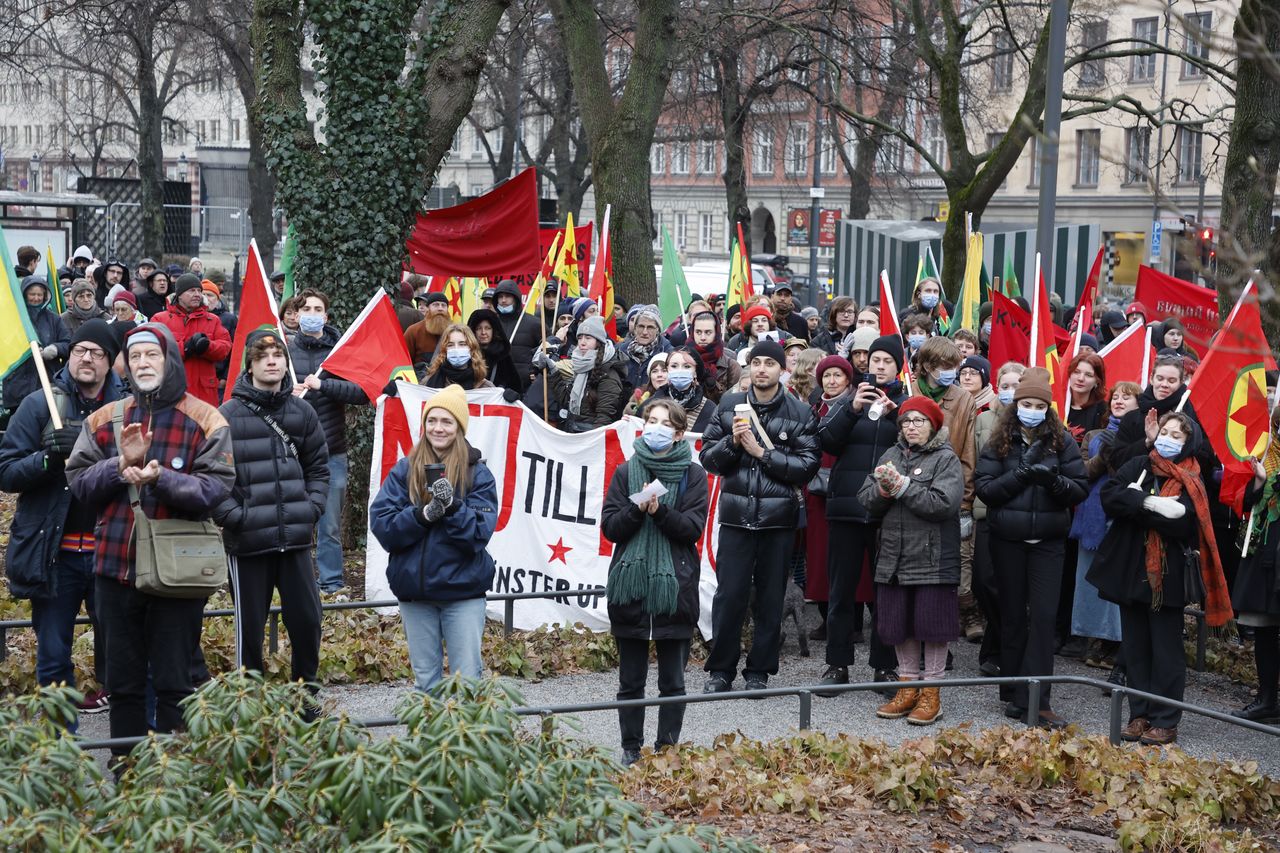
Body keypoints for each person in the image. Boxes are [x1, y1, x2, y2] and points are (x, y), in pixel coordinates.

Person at [65, 323, 235, 763]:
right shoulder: (104, 419)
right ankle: (128, 778)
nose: (142, 364)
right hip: (114, 573)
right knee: (121, 686)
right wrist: (117, 466)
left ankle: (171, 783)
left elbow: (216, 488)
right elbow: (79, 486)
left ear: (170, 360)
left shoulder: (206, 418)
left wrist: (163, 479)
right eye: (135, 356)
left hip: (176, 574)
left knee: (175, 682)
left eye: (151, 356)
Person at [0, 320, 125, 720]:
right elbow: (5, 472)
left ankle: (130, 751)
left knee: (124, 657)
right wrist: (46, 460)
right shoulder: (39, 405)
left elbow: (141, 468)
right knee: (53, 659)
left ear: (110, 362)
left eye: (97, 353)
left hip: (113, 552)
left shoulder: (127, 409)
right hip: (56, 556)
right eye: (80, 350)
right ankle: (61, 752)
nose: (87, 359)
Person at [1091, 412, 1231, 745]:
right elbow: (1110, 497)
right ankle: (1139, 715)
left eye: (1176, 435)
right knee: (1135, 648)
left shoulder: (1193, 477)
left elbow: (1183, 524)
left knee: (1166, 650)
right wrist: (1150, 502)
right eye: (1164, 431)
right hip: (1130, 569)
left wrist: (1135, 505)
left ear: (1188, 443)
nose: (1168, 438)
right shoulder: (1140, 463)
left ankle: (1165, 718)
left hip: (1168, 575)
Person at [214, 330, 328, 703]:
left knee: (307, 622)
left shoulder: (302, 411)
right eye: (262, 355)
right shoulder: (227, 415)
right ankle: (251, 706)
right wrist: (235, 516)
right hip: (248, 542)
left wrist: (311, 509)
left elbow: (319, 469)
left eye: (278, 353)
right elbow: (213, 477)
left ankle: (305, 698)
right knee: (250, 630)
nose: (272, 360)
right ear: (250, 363)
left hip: (294, 538)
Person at [700, 340, 820, 693]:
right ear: (749, 368)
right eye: (757, 362)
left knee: (770, 600)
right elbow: (708, 457)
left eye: (770, 363)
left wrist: (762, 453)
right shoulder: (728, 404)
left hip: (778, 521)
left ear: (782, 369)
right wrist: (732, 445)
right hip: (736, 517)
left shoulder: (800, 412)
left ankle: (759, 672)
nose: (762, 369)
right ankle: (720, 670)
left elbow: (806, 467)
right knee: (729, 597)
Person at [974, 367, 1087, 728]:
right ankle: (1013, 691)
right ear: (1016, 404)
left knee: (1041, 617)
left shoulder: (1062, 441)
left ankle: (1037, 700)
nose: (1032, 409)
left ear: (1049, 408)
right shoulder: (998, 440)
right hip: (1007, 539)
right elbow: (986, 490)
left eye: (1040, 404)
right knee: (1012, 616)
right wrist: (1019, 475)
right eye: (1027, 403)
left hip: (1048, 543)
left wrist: (1051, 480)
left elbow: (1078, 488)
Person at [369, 384, 498, 692]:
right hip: (416, 593)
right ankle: (430, 742)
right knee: (426, 684)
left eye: (447, 422)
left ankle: (464, 742)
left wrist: (454, 508)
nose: (438, 428)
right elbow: (383, 526)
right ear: (424, 424)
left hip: (462, 593)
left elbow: (478, 534)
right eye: (432, 420)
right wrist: (421, 517)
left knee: (466, 683)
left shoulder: (478, 475)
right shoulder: (404, 470)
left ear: (459, 427)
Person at [601, 398, 708, 765]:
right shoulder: (625, 471)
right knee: (630, 682)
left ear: (679, 434)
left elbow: (692, 529)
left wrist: (660, 511)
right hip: (630, 589)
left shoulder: (693, 475)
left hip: (674, 588)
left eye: (665, 423)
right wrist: (636, 508)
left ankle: (667, 749)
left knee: (672, 682)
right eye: (651, 420)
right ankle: (631, 748)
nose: (656, 427)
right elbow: (611, 528)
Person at [858, 395, 964, 725]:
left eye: (919, 421)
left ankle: (930, 693)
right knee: (898, 623)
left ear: (933, 425)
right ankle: (907, 688)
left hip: (933, 556)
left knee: (931, 627)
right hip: (893, 554)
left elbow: (944, 503)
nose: (911, 427)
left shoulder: (946, 458)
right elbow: (865, 498)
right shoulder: (891, 453)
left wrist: (903, 487)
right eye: (906, 421)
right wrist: (884, 492)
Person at [816, 335, 909, 692]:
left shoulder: (905, 404)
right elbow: (826, 440)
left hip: (888, 511)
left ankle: (884, 667)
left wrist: (896, 415)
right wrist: (852, 408)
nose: (880, 366)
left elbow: (919, 444)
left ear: (898, 366)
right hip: (847, 507)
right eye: (875, 360)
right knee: (841, 592)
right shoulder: (849, 399)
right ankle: (837, 664)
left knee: (884, 591)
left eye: (887, 360)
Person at [289, 289, 370, 595]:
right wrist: (286, 393)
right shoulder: (283, 350)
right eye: (306, 308)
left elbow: (361, 392)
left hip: (330, 451)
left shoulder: (340, 352)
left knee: (330, 525)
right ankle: (295, 584)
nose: (311, 312)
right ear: (296, 315)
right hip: (291, 451)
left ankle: (331, 584)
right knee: (293, 521)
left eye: (317, 308)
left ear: (326, 316)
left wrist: (324, 385)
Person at [1069, 381, 1141, 681]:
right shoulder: (1096, 435)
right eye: (1116, 397)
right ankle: (1094, 639)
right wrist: (1104, 456)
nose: (1119, 401)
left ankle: (1115, 642)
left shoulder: (1142, 436)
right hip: (1091, 518)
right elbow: (1083, 472)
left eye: (1127, 397)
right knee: (1089, 583)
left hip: (1119, 517)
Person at [971, 362, 1025, 676]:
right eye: (1005, 384)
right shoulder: (983, 421)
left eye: (1017, 384)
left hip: (1018, 514)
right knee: (984, 580)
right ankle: (1006, 637)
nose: (1010, 391)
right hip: (985, 509)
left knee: (1009, 584)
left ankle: (1000, 648)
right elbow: (973, 462)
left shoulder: (1036, 423)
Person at [1233, 406, 1280, 724]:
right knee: (1264, 628)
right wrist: (1261, 482)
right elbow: (1243, 502)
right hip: (1265, 552)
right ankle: (1267, 699)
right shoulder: (1266, 455)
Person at [803, 355, 853, 642]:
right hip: (817, 490)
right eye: (827, 376)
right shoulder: (813, 408)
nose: (832, 381)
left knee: (850, 559)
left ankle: (853, 619)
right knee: (820, 555)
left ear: (848, 379)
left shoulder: (857, 406)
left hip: (848, 487)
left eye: (838, 375)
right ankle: (827, 615)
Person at [528, 316, 629, 432]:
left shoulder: (609, 374)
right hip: (574, 432)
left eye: (588, 338)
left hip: (589, 438)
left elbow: (605, 416)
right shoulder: (580, 367)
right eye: (580, 338)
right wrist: (553, 373)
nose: (582, 343)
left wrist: (591, 441)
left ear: (599, 342)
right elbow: (568, 401)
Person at [150, 273, 233, 408]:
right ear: (179, 294)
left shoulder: (212, 320)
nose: (197, 294)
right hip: (173, 393)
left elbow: (225, 347)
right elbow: (155, 351)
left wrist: (207, 347)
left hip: (204, 395)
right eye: (191, 290)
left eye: (199, 291)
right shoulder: (160, 319)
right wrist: (186, 348)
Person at [2, 276, 71, 418]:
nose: (36, 298)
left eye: (40, 294)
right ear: (24, 295)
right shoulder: (15, 320)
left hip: (46, 385)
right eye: (32, 294)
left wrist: (53, 349)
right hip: (17, 388)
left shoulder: (54, 319)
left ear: (45, 296)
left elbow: (68, 344)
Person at [650, 347, 716, 432]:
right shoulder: (651, 404)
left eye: (687, 366)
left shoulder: (709, 410)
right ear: (667, 369)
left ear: (695, 372)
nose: (680, 371)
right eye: (674, 366)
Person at [688, 310, 741, 403]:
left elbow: (735, 401)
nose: (703, 337)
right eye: (698, 332)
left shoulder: (731, 366)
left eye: (708, 332)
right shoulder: (682, 360)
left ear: (716, 333)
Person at [467, 308, 524, 393]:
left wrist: (507, 393)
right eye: (479, 328)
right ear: (473, 332)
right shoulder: (466, 356)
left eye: (487, 328)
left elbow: (515, 387)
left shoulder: (503, 356)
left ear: (494, 331)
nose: (483, 332)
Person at [421, 324, 494, 390]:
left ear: (471, 348)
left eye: (462, 344)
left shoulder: (485, 387)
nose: (456, 349)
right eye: (450, 345)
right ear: (444, 350)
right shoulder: (428, 383)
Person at [618, 306, 673, 389]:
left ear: (657, 330)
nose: (644, 332)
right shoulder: (621, 351)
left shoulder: (668, 354)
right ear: (635, 328)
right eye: (641, 326)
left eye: (650, 327)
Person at [404, 291, 451, 366]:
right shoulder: (413, 331)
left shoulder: (455, 332)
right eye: (436, 305)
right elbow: (404, 361)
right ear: (428, 308)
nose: (440, 308)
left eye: (443, 305)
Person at [625, 352, 669, 416]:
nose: (659, 375)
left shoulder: (679, 397)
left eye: (664, 370)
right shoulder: (640, 395)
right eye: (654, 371)